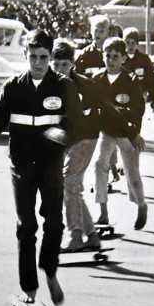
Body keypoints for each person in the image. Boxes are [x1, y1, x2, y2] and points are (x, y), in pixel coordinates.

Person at [0, 29, 83, 306]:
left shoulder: (63, 86)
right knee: (26, 226)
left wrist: (65, 135)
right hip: (22, 164)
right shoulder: (13, 86)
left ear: (50, 57)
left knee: (54, 221)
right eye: (33, 57)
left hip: (50, 163)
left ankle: (50, 271)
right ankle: (29, 288)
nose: (38, 63)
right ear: (26, 55)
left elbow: (78, 123)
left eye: (43, 57)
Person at [91, 37, 147, 230]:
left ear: (124, 58)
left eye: (116, 56)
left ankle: (141, 204)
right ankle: (103, 212)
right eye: (107, 55)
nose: (111, 60)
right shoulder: (97, 79)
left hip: (127, 133)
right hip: (107, 131)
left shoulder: (130, 80)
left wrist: (134, 134)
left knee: (132, 174)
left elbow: (138, 110)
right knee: (99, 165)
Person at [52, 39, 102, 251]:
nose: (59, 68)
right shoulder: (52, 83)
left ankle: (76, 236)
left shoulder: (78, 85)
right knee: (72, 187)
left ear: (73, 64)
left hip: (84, 138)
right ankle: (91, 235)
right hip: (71, 139)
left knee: (69, 183)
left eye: (64, 64)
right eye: (56, 64)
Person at [123, 27, 154, 113]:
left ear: (137, 44)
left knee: (137, 117)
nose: (130, 46)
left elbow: (151, 80)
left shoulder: (144, 59)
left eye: (133, 43)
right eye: (127, 43)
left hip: (139, 95)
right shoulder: (120, 59)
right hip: (123, 96)